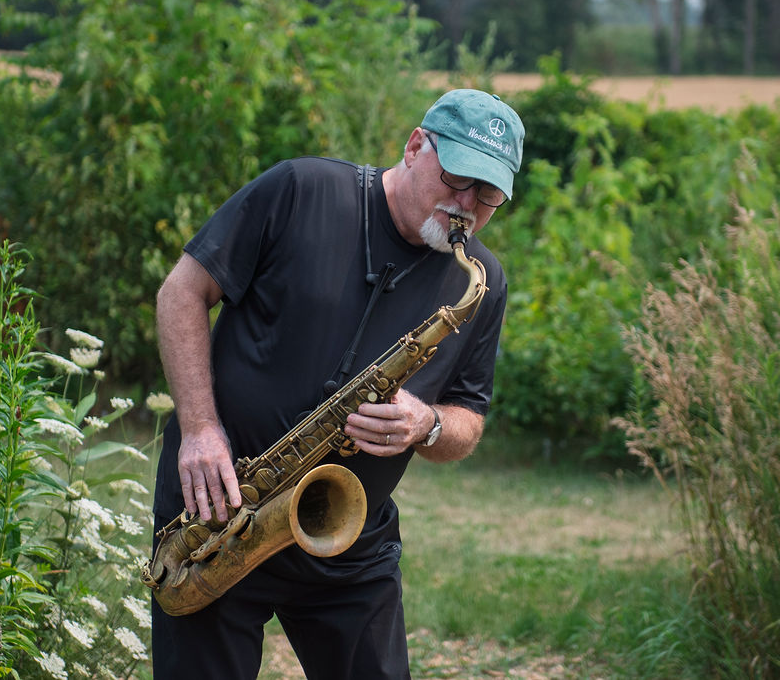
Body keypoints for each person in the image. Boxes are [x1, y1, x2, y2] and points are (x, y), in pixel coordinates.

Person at [150, 89, 524, 679]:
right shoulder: (300, 190)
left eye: (487, 195)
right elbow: (181, 293)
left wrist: (426, 424)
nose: (466, 207)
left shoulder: (482, 281)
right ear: (414, 146)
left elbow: (468, 418)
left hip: (348, 541)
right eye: (457, 179)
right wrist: (199, 428)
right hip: (218, 511)